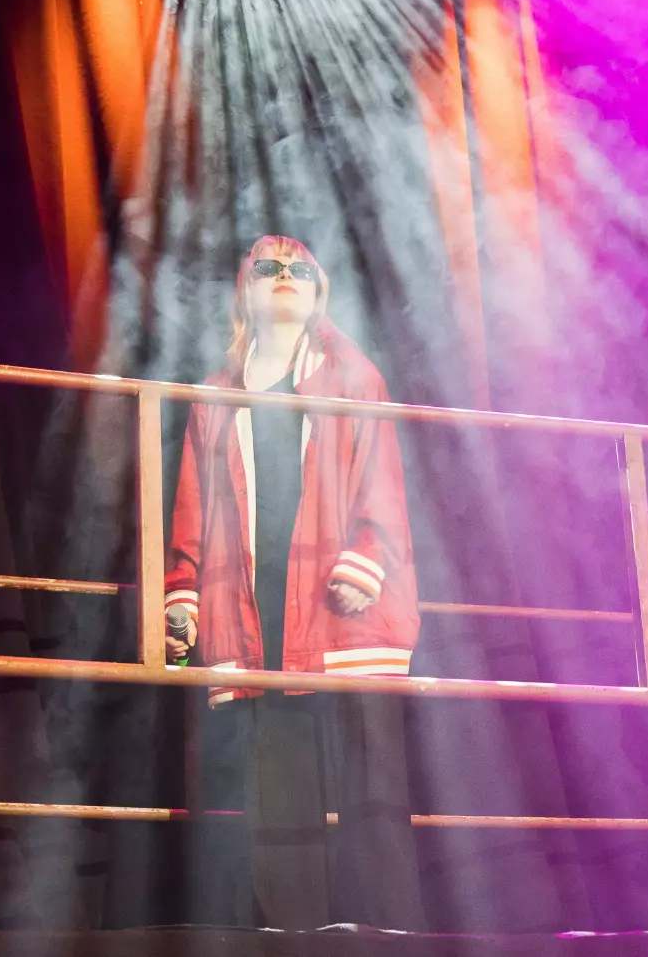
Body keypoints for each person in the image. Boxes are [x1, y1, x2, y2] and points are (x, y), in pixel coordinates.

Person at [164, 235, 426, 931]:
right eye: (268, 267)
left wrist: (367, 557)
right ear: (244, 289)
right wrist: (182, 594)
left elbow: (382, 480)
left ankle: (386, 938)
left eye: (299, 268)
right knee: (274, 800)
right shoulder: (215, 394)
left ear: (318, 290)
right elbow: (191, 505)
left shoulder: (354, 376)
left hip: (345, 616)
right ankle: (288, 938)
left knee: (370, 787)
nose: (285, 275)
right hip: (258, 616)